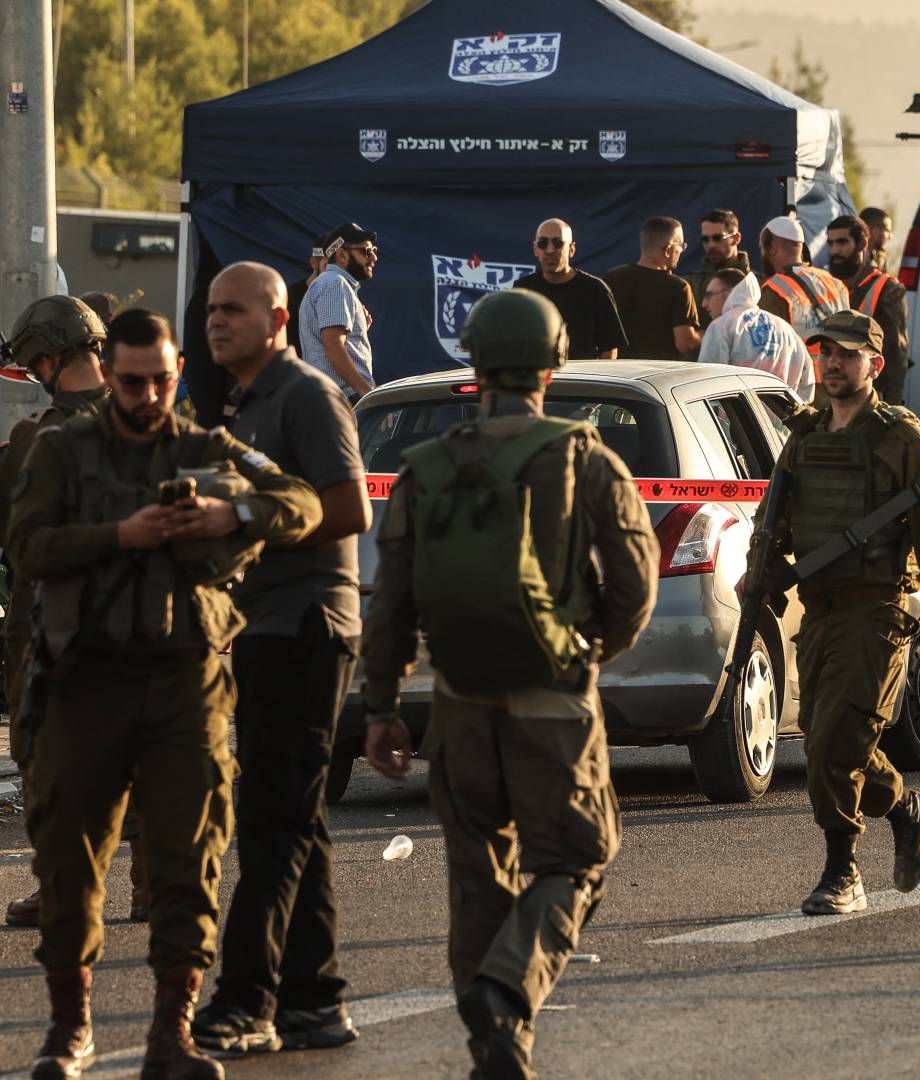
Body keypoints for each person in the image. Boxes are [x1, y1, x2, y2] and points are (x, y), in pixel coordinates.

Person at [12, 308, 322, 1080]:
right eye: (130, 381)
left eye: (160, 380)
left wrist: (229, 511)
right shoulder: (61, 450)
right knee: (69, 865)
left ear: (176, 373)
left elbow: (305, 504)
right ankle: (68, 1030)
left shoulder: (208, 447)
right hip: (87, 683)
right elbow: (26, 546)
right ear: (106, 372)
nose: (146, 394)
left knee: (189, 867)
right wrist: (122, 534)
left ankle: (170, 1034)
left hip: (186, 685)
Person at [360, 288, 658, 1078]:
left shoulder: (422, 469)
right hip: (553, 703)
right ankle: (504, 990)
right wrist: (588, 653)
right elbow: (635, 584)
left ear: (475, 361)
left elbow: (389, 602)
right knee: (578, 857)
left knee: (475, 875)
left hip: (457, 705)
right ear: (553, 366)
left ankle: (493, 1038)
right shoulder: (583, 455)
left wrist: (384, 707)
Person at [191, 263, 372, 1056]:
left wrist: (239, 515)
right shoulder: (244, 404)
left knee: (270, 817)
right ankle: (315, 1000)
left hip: (308, 626)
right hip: (264, 626)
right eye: (211, 310)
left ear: (278, 317)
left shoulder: (304, 393)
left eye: (235, 310)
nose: (217, 321)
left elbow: (350, 507)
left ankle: (246, 999)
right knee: (297, 819)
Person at [741, 309, 920, 915]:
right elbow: (776, 519)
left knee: (840, 739)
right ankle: (907, 806)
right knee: (821, 739)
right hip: (818, 610)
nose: (833, 363)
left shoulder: (900, 436)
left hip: (877, 609)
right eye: (826, 353)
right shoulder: (806, 434)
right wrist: (758, 572)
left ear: (875, 363)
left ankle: (843, 870)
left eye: (847, 353)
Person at [0, 295, 114, 931]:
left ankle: (60, 888)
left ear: (45, 357)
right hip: (131, 620)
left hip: (50, 624)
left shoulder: (38, 438)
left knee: (47, 755)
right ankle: (151, 884)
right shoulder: (147, 421)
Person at [826, 215, 911, 406]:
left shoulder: (887, 288)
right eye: (830, 244)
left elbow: (897, 355)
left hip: (868, 395)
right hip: (831, 393)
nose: (834, 251)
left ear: (863, 243)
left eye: (842, 243)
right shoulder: (826, 284)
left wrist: (891, 406)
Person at [513, 218, 627, 360]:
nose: (550, 250)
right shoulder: (522, 290)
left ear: (571, 249)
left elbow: (609, 349)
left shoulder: (596, 290)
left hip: (581, 380)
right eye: (543, 243)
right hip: (535, 380)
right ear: (535, 249)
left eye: (558, 243)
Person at [698, 269, 814, 399]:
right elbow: (807, 383)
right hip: (787, 417)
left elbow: (708, 385)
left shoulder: (721, 327)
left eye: (709, 295)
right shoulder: (785, 328)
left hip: (742, 418)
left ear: (728, 293)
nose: (704, 304)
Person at [602, 216, 702, 361]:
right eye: (681, 245)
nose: (681, 250)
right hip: (659, 376)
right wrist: (705, 336)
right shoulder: (679, 287)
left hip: (619, 375)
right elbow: (685, 343)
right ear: (668, 250)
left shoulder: (611, 278)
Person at [297, 223, 377, 400]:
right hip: (344, 396)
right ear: (341, 255)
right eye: (365, 251)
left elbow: (334, 344)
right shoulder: (335, 284)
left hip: (336, 395)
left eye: (374, 251)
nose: (373, 258)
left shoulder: (332, 283)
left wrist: (360, 328)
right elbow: (333, 348)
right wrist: (367, 394)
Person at [757, 215, 849, 343]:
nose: (761, 254)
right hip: (836, 362)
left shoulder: (774, 290)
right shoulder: (834, 282)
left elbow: (769, 347)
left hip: (799, 363)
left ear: (772, 247)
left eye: (762, 248)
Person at [685, 209, 752, 329]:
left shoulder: (755, 284)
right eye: (705, 239)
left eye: (717, 238)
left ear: (736, 238)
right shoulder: (691, 285)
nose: (711, 245)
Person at [860, 207, 894, 273]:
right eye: (887, 231)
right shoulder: (853, 260)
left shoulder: (879, 258)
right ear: (874, 232)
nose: (890, 236)